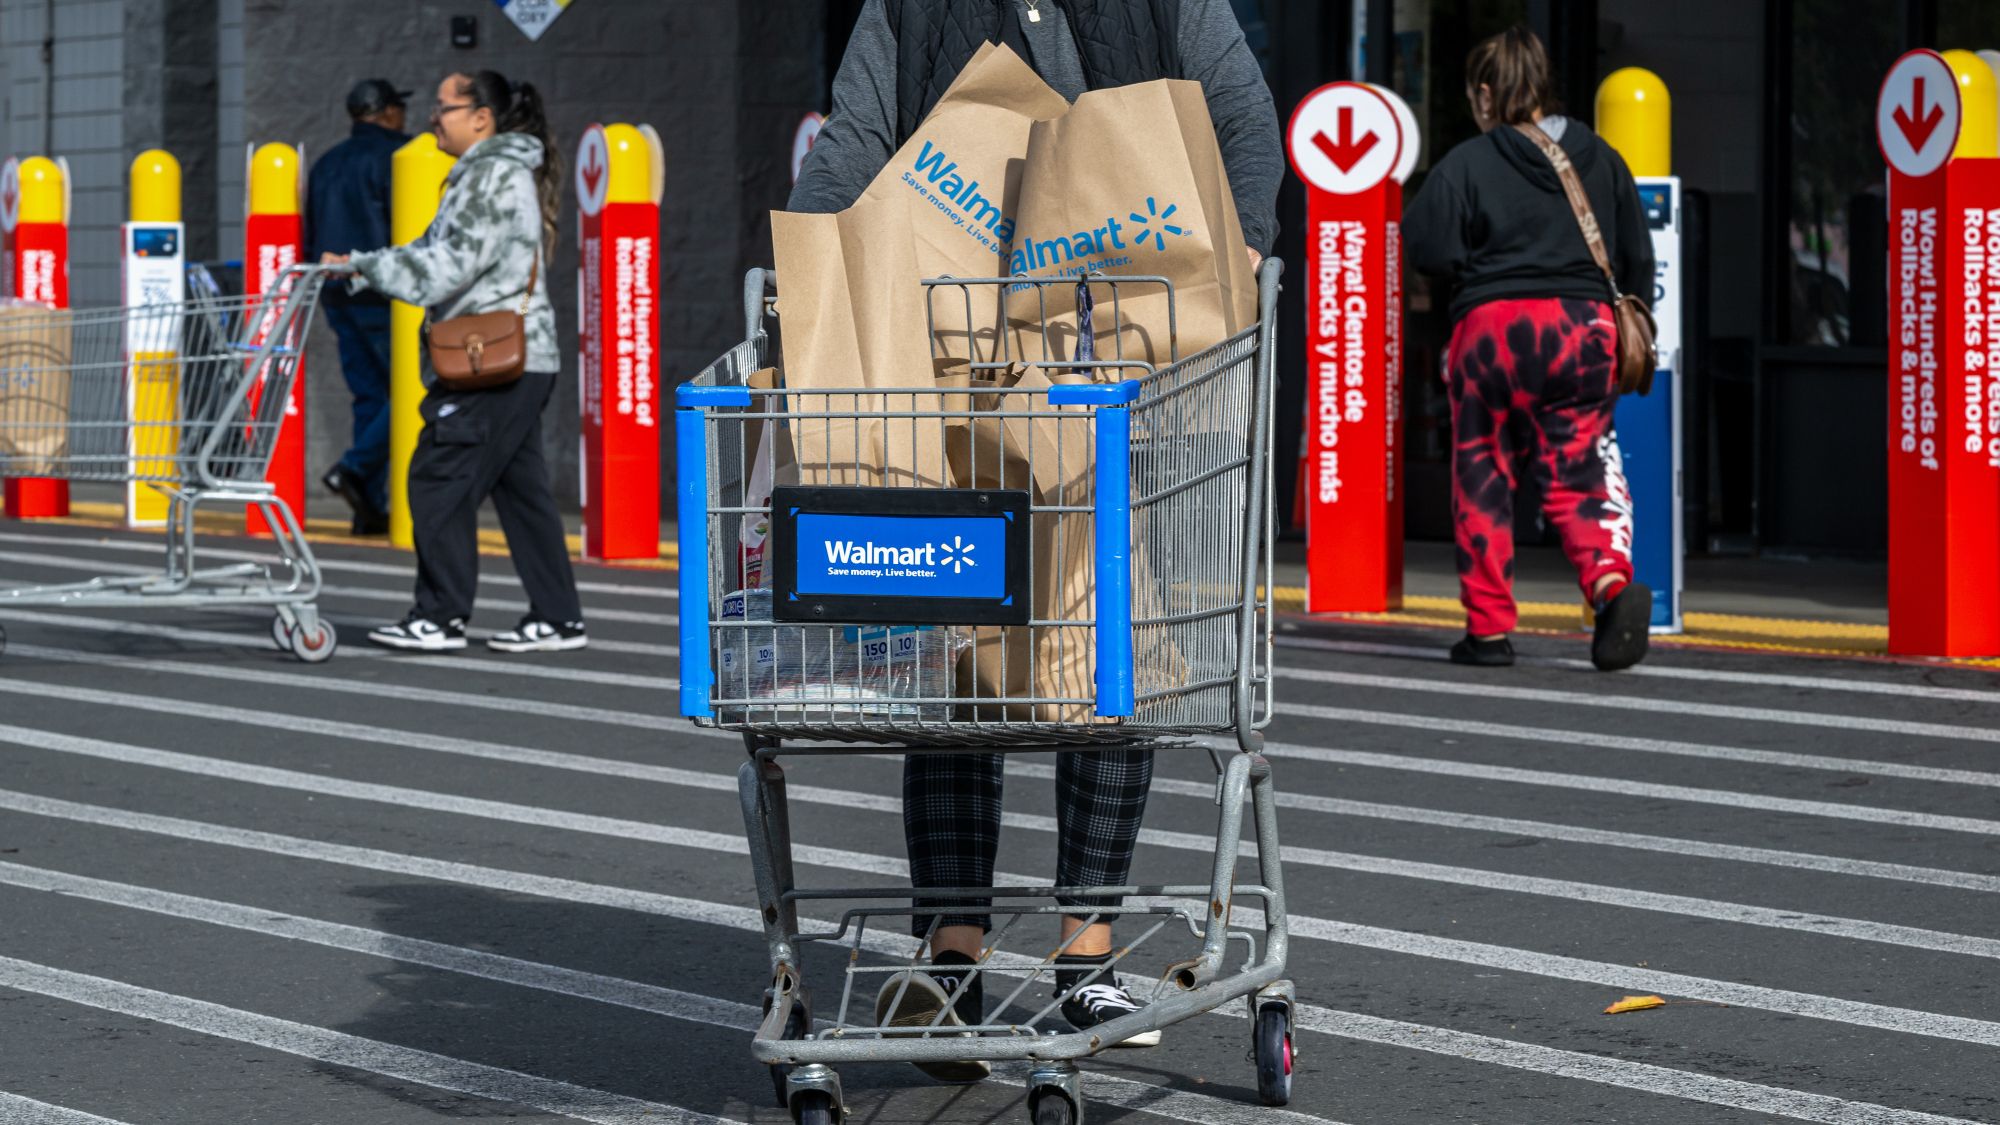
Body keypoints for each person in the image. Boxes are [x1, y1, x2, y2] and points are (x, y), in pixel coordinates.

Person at [789, 0, 1281, 1082]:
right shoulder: (912, 10)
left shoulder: (1162, 4)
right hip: (960, 376)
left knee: (1105, 660)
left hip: (1119, 370)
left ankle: (1085, 954)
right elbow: (855, 145)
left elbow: (1244, 123)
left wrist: (1233, 240)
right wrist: (815, 263)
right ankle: (951, 952)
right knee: (959, 661)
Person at [1404, 26, 1655, 672]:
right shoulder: (1601, 157)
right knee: (1582, 468)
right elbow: (1635, 257)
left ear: (1486, 93)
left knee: (1481, 469)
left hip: (1492, 331)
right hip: (1581, 330)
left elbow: (1427, 245)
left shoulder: (1467, 162)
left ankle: (1487, 631)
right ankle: (1609, 586)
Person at [323, 70, 587, 655]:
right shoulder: (488, 172)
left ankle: (440, 617)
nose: (432, 118)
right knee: (522, 492)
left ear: (481, 117)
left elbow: (449, 266)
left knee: (436, 477)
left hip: (488, 361)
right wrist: (365, 262)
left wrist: (367, 270)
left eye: (444, 108)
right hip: (517, 357)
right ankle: (558, 618)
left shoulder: (491, 174)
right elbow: (435, 252)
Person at [305, 79, 410, 536]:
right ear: (386, 112)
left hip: (336, 294)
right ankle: (356, 468)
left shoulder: (327, 163)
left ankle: (369, 508)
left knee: (370, 396)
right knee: (410, 390)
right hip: (382, 293)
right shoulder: (402, 157)